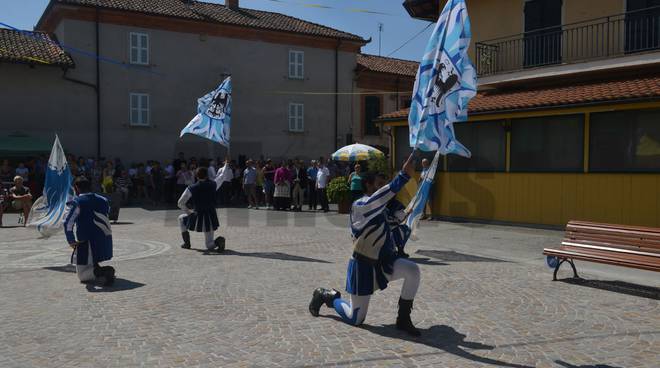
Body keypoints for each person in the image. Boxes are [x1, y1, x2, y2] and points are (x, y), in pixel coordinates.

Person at [308, 153, 422, 336]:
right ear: (368, 185)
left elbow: (391, 225)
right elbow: (380, 199)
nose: (383, 189)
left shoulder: (380, 209)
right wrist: (403, 176)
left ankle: (403, 319)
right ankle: (327, 296)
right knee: (356, 319)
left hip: (384, 262)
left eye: (384, 185)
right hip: (363, 266)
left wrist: (404, 216)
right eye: (379, 185)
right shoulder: (361, 205)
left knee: (412, 271)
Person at [64, 177, 115, 286]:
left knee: (82, 276)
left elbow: (68, 223)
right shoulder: (103, 200)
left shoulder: (77, 202)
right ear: (90, 186)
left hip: (87, 242)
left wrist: (71, 240)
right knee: (91, 260)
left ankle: (103, 272)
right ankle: (96, 267)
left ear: (76, 188)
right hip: (105, 241)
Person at [177, 165, 230, 251]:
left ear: (197, 176)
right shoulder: (213, 184)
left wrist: (189, 212)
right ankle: (219, 241)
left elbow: (180, 203)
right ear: (207, 175)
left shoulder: (191, 188)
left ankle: (187, 243)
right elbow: (222, 175)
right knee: (209, 245)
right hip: (211, 217)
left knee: (181, 218)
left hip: (198, 216)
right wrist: (226, 165)